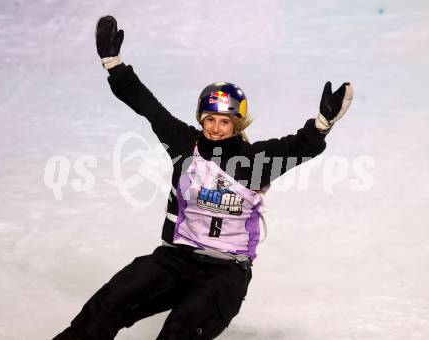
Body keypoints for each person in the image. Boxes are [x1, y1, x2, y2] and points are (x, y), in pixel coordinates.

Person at [54, 15, 353, 340]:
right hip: (175, 259)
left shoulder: (254, 162)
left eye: (224, 121)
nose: (215, 127)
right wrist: (113, 64)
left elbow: (300, 146)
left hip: (225, 274)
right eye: (210, 119)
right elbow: (147, 105)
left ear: (237, 124)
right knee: (108, 303)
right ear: (201, 118)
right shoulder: (184, 143)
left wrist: (323, 123)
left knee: (178, 333)